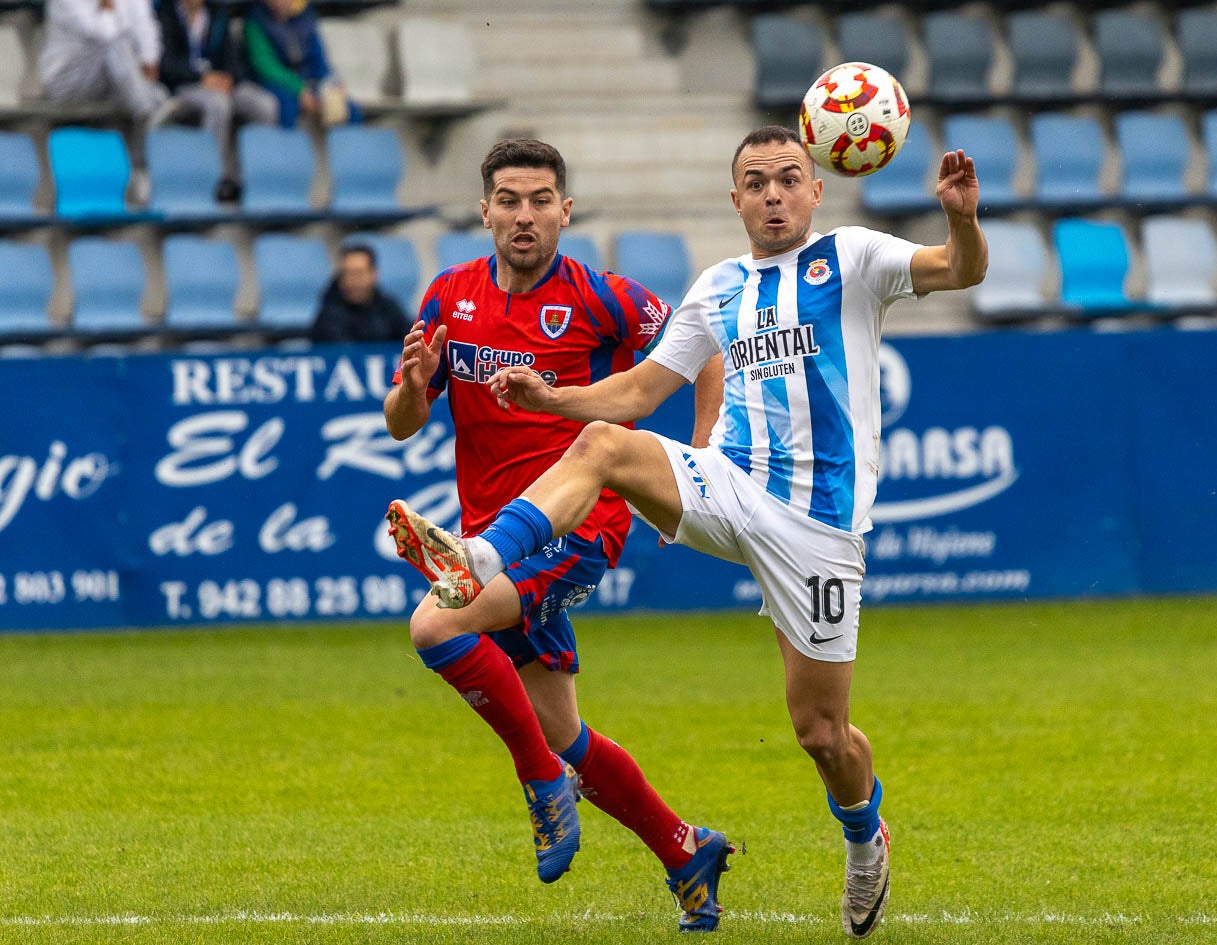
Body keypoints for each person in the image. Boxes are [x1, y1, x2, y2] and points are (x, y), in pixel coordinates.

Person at [385, 125, 987, 939]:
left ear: (814, 191)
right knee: (601, 446)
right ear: (733, 199)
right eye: (755, 182)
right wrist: (551, 399)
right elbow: (632, 395)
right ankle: (480, 557)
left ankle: (862, 832)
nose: (772, 194)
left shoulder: (852, 256)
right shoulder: (718, 287)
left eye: (787, 179)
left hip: (816, 524)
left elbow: (958, 270)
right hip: (729, 484)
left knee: (821, 733)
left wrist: (959, 220)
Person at [381, 138, 732, 929]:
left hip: (580, 526)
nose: (524, 215)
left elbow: (702, 346)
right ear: (484, 211)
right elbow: (401, 424)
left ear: (565, 211)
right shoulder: (450, 296)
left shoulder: (603, 297)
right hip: (492, 536)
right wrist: (410, 385)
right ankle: (685, 849)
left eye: (540, 199)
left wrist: (702, 448)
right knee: (563, 728)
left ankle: (539, 782)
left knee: (435, 623)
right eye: (508, 199)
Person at [39, 0, 170, 201]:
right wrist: (109, 8)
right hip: (64, 81)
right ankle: (152, 110)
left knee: (127, 66)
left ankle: (142, 164)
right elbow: (103, 34)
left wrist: (148, 59)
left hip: (105, 79)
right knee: (115, 46)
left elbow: (145, 25)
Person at [155, 0, 280, 203]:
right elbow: (166, 65)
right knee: (218, 104)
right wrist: (201, 78)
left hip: (220, 84)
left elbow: (232, 58)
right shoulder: (165, 15)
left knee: (266, 105)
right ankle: (214, 178)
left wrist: (228, 77)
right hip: (184, 87)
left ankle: (253, 179)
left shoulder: (217, 14)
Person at [243, 0, 359, 129]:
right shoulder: (255, 21)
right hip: (274, 83)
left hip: (308, 81)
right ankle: (286, 147)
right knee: (287, 106)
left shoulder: (305, 17)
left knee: (347, 107)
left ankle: (347, 148)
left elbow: (319, 59)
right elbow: (266, 67)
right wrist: (300, 90)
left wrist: (332, 82)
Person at [310, 244, 408, 343]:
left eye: (359, 273)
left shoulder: (388, 307)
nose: (353, 281)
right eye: (347, 274)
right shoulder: (329, 314)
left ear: (374, 274)